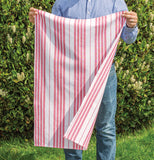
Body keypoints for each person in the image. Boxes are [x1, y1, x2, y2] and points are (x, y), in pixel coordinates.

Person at [29, 0, 138, 159]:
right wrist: (39, 21)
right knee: (71, 125)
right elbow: (53, 32)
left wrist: (131, 26)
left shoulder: (114, 2)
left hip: (104, 73)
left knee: (106, 128)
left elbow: (128, 38)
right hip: (71, 74)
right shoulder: (63, 3)